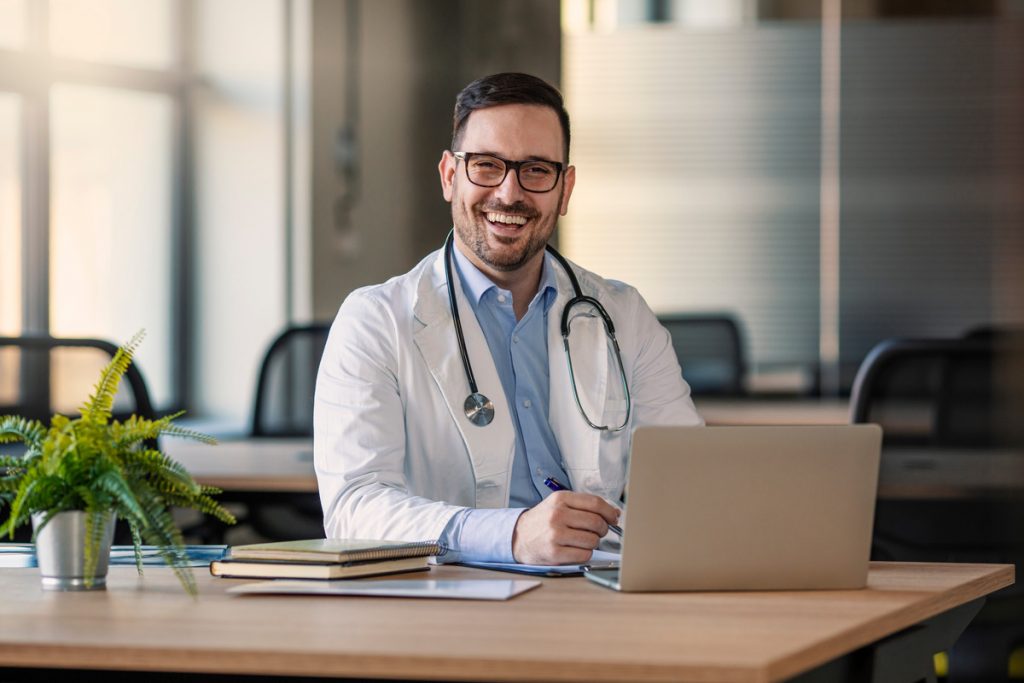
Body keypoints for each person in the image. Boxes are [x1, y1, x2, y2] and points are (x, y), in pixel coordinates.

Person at [314, 72, 702, 566]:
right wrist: (510, 534)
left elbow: (688, 486)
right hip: (446, 598)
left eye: (536, 170)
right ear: (450, 176)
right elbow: (354, 508)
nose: (509, 193)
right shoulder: (374, 322)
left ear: (565, 189)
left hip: (602, 591)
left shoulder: (624, 317)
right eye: (487, 166)